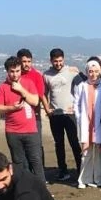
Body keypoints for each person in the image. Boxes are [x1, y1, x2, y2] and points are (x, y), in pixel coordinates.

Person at [0, 56, 44, 182]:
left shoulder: (28, 83)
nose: (15, 74)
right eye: (12, 71)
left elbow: (35, 101)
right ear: (7, 71)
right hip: (13, 131)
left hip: (31, 130)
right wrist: (12, 108)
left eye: (17, 71)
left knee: (36, 161)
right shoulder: (2, 87)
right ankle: (24, 190)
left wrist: (21, 90)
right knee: (19, 163)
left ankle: (41, 190)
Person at [44, 48, 82, 182]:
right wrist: (47, 108)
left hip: (69, 114)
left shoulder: (71, 72)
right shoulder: (47, 75)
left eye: (60, 61)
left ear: (64, 60)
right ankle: (63, 170)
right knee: (58, 143)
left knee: (74, 142)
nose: (58, 64)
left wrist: (77, 106)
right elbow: (44, 93)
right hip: (55, 115)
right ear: (51, 61)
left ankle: (80, 168)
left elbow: (83, 87)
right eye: (55, 61)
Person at [73, 59, 101, 188]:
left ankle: (99, 179)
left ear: (100, 72)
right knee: (86, 153)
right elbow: (76, 103)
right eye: (90, 71)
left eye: (96, 71)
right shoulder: (81, 86)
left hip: (98, 123)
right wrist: (79, 117)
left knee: (99, 153)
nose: (93, 74)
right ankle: (83, 179)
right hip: (86, 123)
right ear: (87, 72)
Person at [18, 49, 49, 173]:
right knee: (23, 147)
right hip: (19, 116)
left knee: (36, 145)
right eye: (24, 61)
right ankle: (26, 173)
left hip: (34, 115)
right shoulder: (15, 75)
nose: (26, 64)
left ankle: (40, 172)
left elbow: (41, 95)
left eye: (29, 61)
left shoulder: (36, 75)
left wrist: (47, 109)